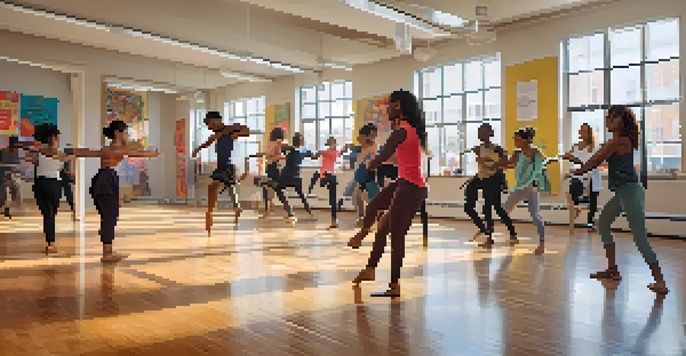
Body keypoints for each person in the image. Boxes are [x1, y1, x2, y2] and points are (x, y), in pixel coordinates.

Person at [566, 105, 667, 295]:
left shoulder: (620, 141)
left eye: (613, 118)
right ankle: (612, 270)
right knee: (603, 222)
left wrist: (575, 172)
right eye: (607, 117)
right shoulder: (615, 142)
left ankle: (660, 281)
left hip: (630, 192)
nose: (608, 121)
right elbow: (597, 159)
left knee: (639, 238)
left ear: (622, 121)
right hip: (622, 192)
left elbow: (596, 160)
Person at [348, 89, 428, 298]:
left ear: (399, 106)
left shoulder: (401, 131)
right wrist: (377, 160)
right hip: (405, 182)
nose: (386, 109)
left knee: (396, 234)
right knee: (376, 210)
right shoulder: (408, 129)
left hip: (412, 187)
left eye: (390, 104)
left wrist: (371, 162)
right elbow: (397, 158)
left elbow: (383, 156)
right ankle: (370, 267)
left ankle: (394, 285)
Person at [68, 120, 161, 262]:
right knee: (110, 217)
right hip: (107, 180)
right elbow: (141, 153)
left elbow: (89, 153)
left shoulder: (108, 149)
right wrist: (154, 153)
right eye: (125, 132)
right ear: (117, 134)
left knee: (108, 217)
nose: (127, 135)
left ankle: (108, 250)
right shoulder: (120, 149)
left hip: (101, 179)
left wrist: (72, 151)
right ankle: (107, 253)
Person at [191, 111, 250, 232]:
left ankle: (210, 213)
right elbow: (208, 142)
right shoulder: (216, 134)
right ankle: (236, 207)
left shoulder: (230, 129)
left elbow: (246, 131)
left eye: (210, 124)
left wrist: (223, 134)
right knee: (228, 186)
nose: (209, 127)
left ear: (216, 121)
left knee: (214, 186)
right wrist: (197, 150)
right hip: (222, 165)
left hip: (229, 165)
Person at [23, 124, 73, 253]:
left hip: (40, 184)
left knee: (47, 214)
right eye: (58, 137)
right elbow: (65, 168)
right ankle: (51, 242)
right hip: (54, 185)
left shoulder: (37, 153)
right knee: (52, 213)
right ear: (54, 138)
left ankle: (50, 242)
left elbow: (30, 161)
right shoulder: (61, 154)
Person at [501, 127, 551, 254]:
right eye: (515, 139)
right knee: (504, 211)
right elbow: (509, 164)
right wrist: (496, 163)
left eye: (518, 139)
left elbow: (545, 162)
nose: (515, 141)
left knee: (535, 216)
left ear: (526, 140)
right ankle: (513, 235)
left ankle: (542, 244)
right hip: (518, 188)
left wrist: (536, 171)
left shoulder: (535, 151)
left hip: (530, 187)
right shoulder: (517, 153)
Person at [466, 123, 517, 246]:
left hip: (493, 179)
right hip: (481, 178)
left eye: (483, 133)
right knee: (468, 206)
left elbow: (505, 162)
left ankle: (508, 233)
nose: (480, 135)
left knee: (494, 208)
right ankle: (484, 230)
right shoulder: (478, 148)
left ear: (490, 134)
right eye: (479, 133)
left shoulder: (497, 149)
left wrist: (489, 161)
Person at [561, 124, 601, 231]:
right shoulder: (575, 146)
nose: (582, 133)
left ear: (589, 134)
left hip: (592, 174)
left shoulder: (594, 148)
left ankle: (590, 223)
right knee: (573, 188)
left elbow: (590, 162)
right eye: (581, 131)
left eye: (585, 131)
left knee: (593, 198)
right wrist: (564, 156)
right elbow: (568, 155)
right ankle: (577, 205)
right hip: (579, 175)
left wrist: (574, 159)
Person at [310, 137, 353, 229]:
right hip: (327, 176)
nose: (332, 145)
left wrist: (347, 147)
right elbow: (315, 156)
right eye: (331, 143)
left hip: (330, 176)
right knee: (318, 175)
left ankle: (334, 221)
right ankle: (315, 186)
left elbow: (342, 152)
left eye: (333, 143)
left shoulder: (332, 152)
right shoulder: (327, 151)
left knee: (332, 200)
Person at [275, 132, 314, 220]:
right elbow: (312, 156)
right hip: (296, 174)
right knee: (301, 194)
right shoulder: (303, 150)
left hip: (287, 174)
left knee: (278, 189)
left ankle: (290, 211)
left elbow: (282, 148)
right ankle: (309, 212)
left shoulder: (290, 149)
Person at [0, 136, 22, 219]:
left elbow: (17, 165)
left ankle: (7, 208)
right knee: (4, 192)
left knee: (13, 191)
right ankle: (6, 209)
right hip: (3, 175)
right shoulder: (4, 152)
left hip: (11, 175)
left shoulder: (16, 154)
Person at [60, 144, 76, 221]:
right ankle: (73, 207)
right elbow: (64, 168)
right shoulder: (65, 159)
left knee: (68, 191)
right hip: (65, 175)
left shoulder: (73, 159)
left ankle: (73, 207)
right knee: (67, 191)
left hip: (68, 175)